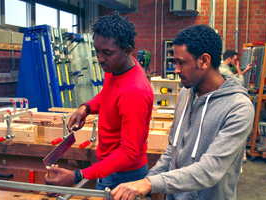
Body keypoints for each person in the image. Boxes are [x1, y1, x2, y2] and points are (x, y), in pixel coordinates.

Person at [110, 25, 255, 200]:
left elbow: (210, 170)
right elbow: (172, 149)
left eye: (182, 62)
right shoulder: (187, 92)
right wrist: (147, 180)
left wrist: (150, 184)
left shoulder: (239, 108)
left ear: (204, 61)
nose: (176, 69)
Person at [44, 11, 154, 191]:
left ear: (127, 50)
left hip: (124, 176)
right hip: (110, 168)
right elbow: (107, 94)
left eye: (107, 53)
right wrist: (86, 108)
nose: (100, 58)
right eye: (97, 51)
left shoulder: (135, 92)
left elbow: (128, 153)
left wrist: (77, 176)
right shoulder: (117, 67)